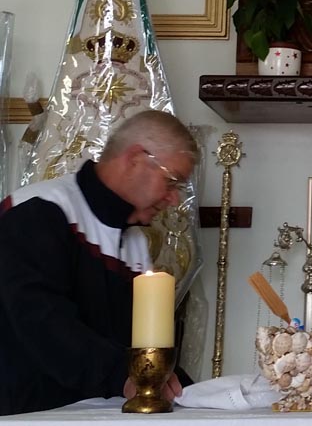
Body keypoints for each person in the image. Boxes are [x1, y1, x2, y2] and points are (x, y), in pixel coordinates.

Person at [0, 109, 197, 415]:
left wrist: (197, 394)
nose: (173, 199)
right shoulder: (39, 211)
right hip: (26, 413)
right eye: (172, 182)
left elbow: (141, 347)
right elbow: (42, 324)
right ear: (135, 159)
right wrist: (123, 374)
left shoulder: (134, 244)